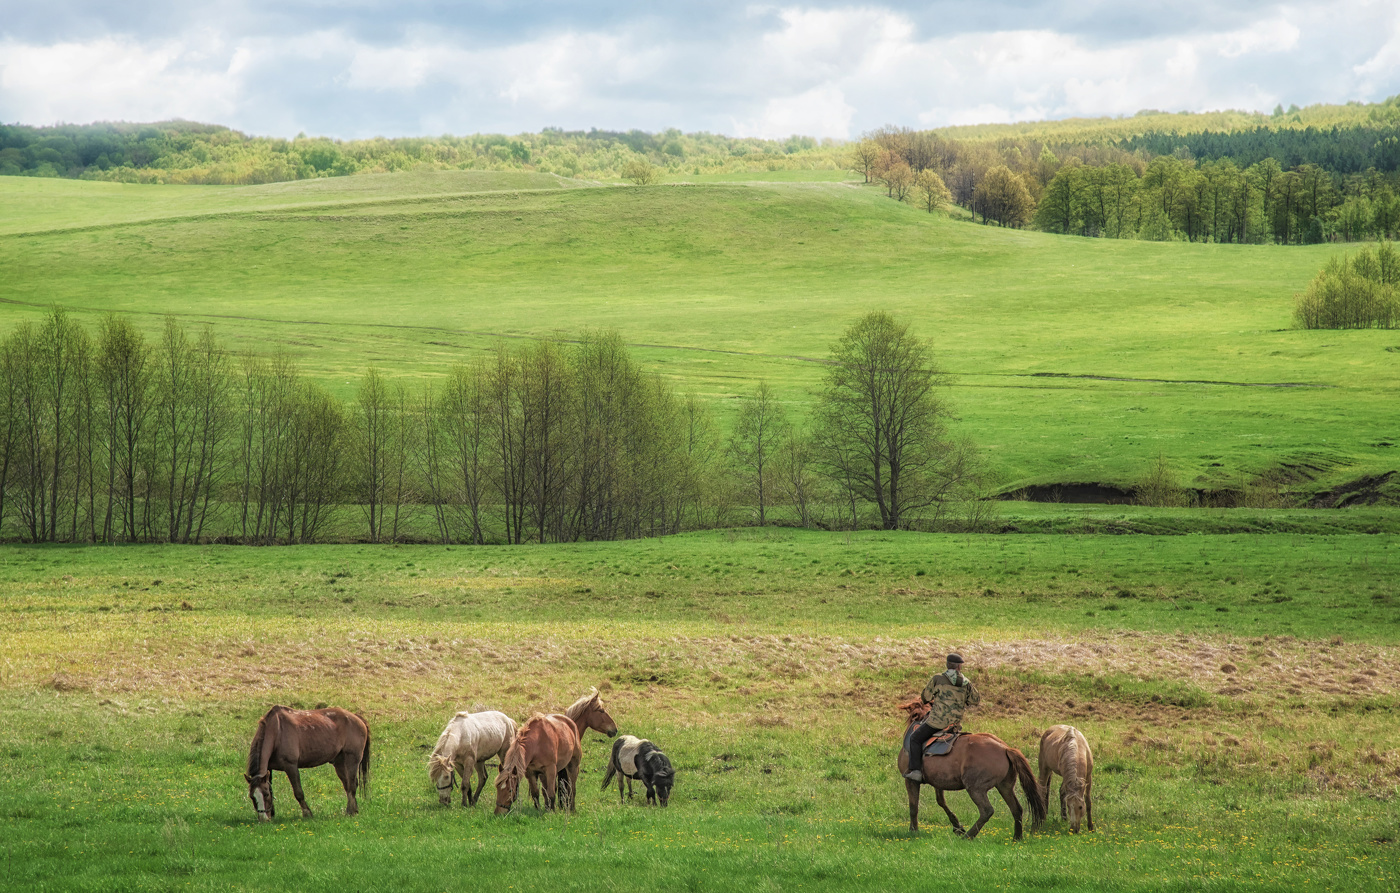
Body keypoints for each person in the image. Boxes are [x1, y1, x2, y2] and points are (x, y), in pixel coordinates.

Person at [903, 653, 981, 783]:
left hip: (936, 723)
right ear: (959, 667)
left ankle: (916, 771)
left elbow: (925, 698)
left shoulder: (938, 679)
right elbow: (975, 700)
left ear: (947, 664)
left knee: (915, 738)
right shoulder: (966, 683)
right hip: (955, 724)